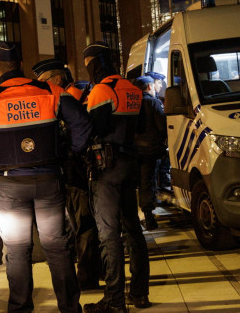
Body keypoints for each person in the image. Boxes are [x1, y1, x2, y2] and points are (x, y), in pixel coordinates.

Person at [0, 43, 92, 313]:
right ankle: (70, 308)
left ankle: (20, 309)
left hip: (9, 186)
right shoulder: (50, 91)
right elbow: (82, 122)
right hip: (48, 181)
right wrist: (71, 152)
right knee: (57, 248)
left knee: (17, 250)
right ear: (22, 65)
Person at [83, 41, 151, 312]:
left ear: (96, 63)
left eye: (88, 66)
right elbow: (142, 126)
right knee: (133, 229)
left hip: (107, 168)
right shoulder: (132, 88)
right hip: (130, 164)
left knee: (109, 234)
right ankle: (139, 293)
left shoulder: (101, 90)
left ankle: (114, 300)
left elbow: (91, 130)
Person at [31, 58, 102, 291]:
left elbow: (81, 128)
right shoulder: (73, 95)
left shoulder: (69, 97)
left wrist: (72, 152)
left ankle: (87, 275)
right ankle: (92, 268)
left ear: (56, 79)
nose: (41, 86)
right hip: (78, 169)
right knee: (80, 222)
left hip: (76, 170)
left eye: (43, 81)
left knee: (82, 222)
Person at [133, 75, 167, 231]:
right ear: (148, 87)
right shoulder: (153, 102)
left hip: (132, 151)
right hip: (149, 151)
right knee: (147, 183)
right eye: (154, 86)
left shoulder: (131, 103)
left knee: (136, 184)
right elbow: (162, 126)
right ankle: (148, 217)